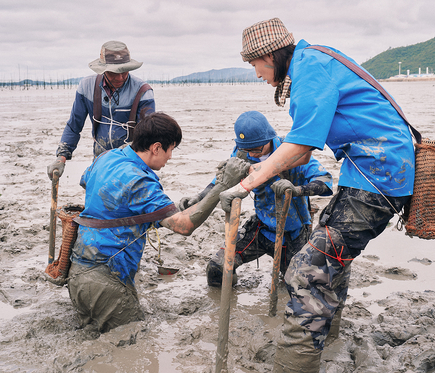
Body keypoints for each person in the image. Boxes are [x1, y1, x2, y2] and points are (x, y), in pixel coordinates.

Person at [219, 18, 415, 372]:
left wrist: (246, 184)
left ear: (269, 55)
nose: (256, 74)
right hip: (371, 173)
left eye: (254, 65)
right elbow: (304, 148)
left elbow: (301, 146)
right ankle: (329, 338)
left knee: (306, 271)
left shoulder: (309, 66)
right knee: (331, 253)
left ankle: (294, 365)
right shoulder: (315, 60)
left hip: (379, 176)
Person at [67, 111, 250, 333]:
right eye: (170, 149)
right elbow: (184, 226)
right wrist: (223, 185)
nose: (170, 157)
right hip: (105, 282)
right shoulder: (139, 180)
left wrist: (151, 211)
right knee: (133, 344)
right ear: (155, 147)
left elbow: (87, 182)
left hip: (77, 273)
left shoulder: (107, 157)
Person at [180, 111, 332, 287]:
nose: (252, 154)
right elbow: (221, 181)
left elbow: (326, 181)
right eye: (247, 150)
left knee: (297, 286)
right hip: (263, 227)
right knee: (218, 268)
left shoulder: (291, 151)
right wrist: (198, 198)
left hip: (294, 233)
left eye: (257, 149)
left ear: (269, 139)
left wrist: (297, 190)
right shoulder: (242, 154)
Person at [46, 40, 156, 180]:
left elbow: (148, 135)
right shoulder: (87, 87)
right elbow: (74, 125)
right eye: (114, 73)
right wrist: (61, 158)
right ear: (103, 69)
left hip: (132, 164)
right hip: (100, 161)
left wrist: (122, 155)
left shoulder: (143, 91)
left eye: (124, 71)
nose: (120, 77)